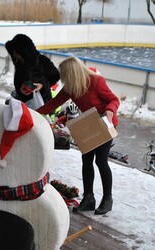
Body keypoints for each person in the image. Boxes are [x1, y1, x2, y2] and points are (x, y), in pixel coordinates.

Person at [37, 56, 120, 215]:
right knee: (86, 160)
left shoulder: (96, 81)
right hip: (88, 123)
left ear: (72, 73)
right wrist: (31, 112)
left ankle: (107, 199)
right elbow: (53, 104)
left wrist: (110, 109)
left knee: (101, 161)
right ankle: (89, 198)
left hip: (104, 121)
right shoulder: (71, 87)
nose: (63, 78)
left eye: (64, 74)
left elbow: (113, 99)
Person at [5, 34, 60, 105]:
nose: (14, 55)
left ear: (23, 52)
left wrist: (42, 85)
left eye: (16, 52)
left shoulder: (43, 61)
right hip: (24, 103)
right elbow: (17, 82)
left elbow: (56, 77)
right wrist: (20, 89)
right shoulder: (19, 64)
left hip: (42, 103)